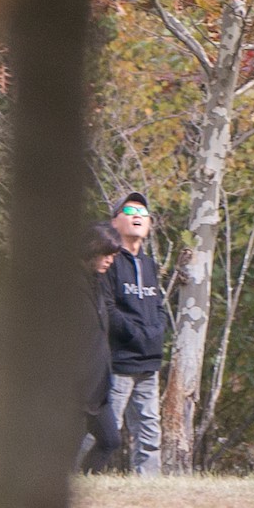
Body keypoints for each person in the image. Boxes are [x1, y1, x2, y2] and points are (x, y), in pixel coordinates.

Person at [104, 191, 167, 476]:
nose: (137, 216)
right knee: (105, 429)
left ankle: (149, 486)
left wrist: (156, 332)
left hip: (149, 361)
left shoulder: (151, 265)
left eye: (143, 212)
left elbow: (159, 305)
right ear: (115, 222)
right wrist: (134, 334)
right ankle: (84, 479)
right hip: (117, 362)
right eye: (129, 212)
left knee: (150, 430)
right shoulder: (108, 261)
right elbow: (106, 308)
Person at [78, 222, 123, 474]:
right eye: (106, 254)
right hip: (74, 388)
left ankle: (85, 480)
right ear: (91, 250)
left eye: (113, 256)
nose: (109, 261)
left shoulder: (98, 282)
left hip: (98, 385)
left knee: (110, 440)